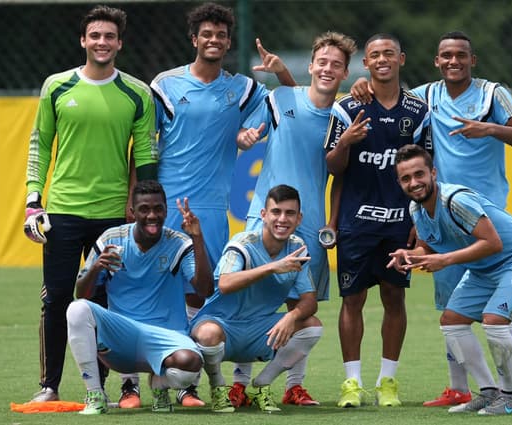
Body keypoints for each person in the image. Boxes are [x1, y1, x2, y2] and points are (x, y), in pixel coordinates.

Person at [351, 30, 512, 407]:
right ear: (437, 61)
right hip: (441, 216)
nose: (454, 61)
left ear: (473, 60)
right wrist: (362, 84)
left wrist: (488, 129)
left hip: (483, 213)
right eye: (446, 56)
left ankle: (507, 391)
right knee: (452, 306)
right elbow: (390, 95)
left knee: (492, 310)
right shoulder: (426, 96)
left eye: (461, 56)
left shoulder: (491, 93)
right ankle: (461, 388)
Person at [149, 3, 295, 405]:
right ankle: (154, 384)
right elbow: (144, 142)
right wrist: (139, 199)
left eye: (221, 35)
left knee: (201, 296)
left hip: (212, 209)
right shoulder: (165, 85)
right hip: (165, 206)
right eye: (206, 34)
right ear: (194, 39)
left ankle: (189, 385)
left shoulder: (242, 88)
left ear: (229, 42)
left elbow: (291, 105)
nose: (214, 40)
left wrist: (279, 75)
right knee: (161, 294)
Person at [22, 5, 158, 404]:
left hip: (114, 215)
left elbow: (146, 154)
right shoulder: (57, 87)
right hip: (63, 211)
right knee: (57, 298)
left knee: (104, 302)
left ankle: (96, 389)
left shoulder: (137, 93)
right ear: (83, 40)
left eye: (109, 36)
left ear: (120, 42)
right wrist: (34, 199)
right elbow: (40, 144)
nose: (102, 42)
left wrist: (143, 205)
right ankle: (49, 386)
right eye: (95, 36)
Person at [228, 31, 357, 408]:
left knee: (301, 307)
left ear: (346, 71)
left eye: (337, 64)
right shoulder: (279, 97)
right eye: (323, 61)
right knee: (250, 300)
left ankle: (293, 386)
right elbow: (246, 133)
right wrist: (246, 136)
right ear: (312, 65)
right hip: (263, 218)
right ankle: (239, 383)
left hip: (311, 225)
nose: (328, 68)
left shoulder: (344, 116)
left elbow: (342, 176)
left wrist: (331, 222)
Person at [389, 144, 512, 415]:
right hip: (484, 269)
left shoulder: (455, 200)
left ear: (433, 173)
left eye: (419, 174)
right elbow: (429, 248)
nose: (414, 183)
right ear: (399, 182)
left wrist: (446, 260)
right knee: (451, 321)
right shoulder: (416, 210)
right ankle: (489, 393)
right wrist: (410, 254)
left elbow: (493, 243)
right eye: (406, 178)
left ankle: (510, 398)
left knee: (494, 319)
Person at [324, 33, 429, 408]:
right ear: (365, 64)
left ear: (401, 58)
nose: (382, 59)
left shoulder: (418, 111)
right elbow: (334, 167)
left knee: (394, 297)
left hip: (399, 223)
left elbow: (428, 171)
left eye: (389, 53)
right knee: (351, 300)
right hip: (356, 223)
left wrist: (422, 221)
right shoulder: (348, 107)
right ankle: (352, 383)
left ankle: (388, 382)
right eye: (374, 55)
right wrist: (346, 142)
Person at [67, 180, 213, 414]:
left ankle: (159, 384)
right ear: (132, 212)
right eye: (144, 209)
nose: (152, 215)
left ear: (166, 210)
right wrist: (95, 269)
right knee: (77, 309)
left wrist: (197, 238)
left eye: (158, 209)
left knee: (190, 365)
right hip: (121, 337)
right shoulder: (111, 240)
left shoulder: (178, 243)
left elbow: (204, 290)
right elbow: (81, 293)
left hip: (166, 336)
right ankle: (94, 394)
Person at [190, 185, 323, 413]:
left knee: (312, 326)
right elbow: (224, 284)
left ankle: (261, 385)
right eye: (276, 212)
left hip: (259, 332)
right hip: (222, 327)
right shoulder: (242, 243)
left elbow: (310, 300)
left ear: (299, 218)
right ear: (263, 215)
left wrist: (292, 316)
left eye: (290, 213)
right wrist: (272, 268)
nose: (282, 219)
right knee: (207, 334)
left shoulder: (297, 248)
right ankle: (218, 386)